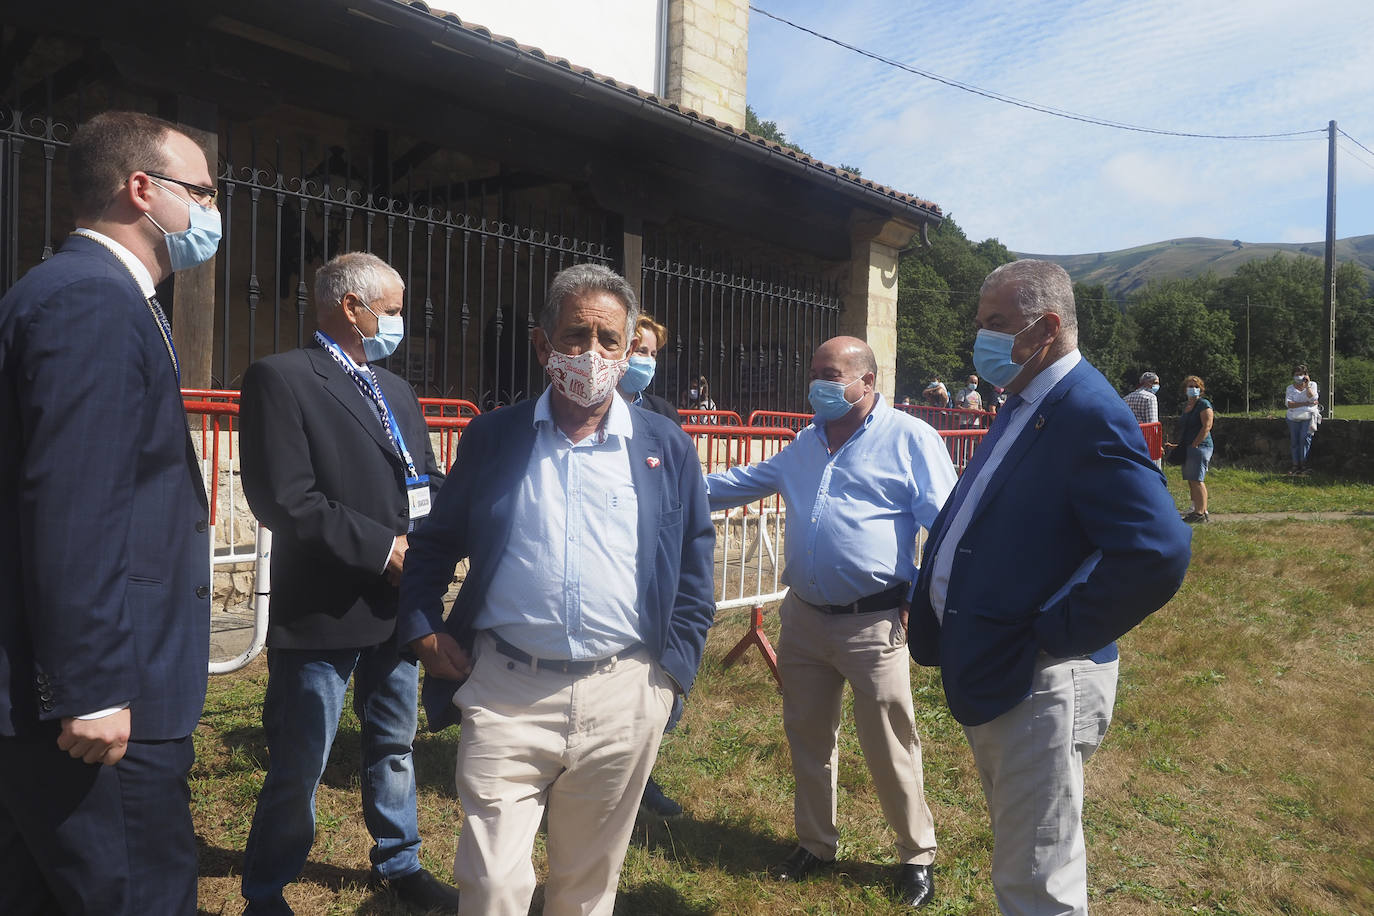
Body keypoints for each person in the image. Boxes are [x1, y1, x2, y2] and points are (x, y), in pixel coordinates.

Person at [396, 263, 716, 916]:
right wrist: (423, 628)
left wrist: (670, 674)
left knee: (585, 887)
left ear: (629, 352)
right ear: (543, 346)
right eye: (576, 336)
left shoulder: (665, 445)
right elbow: (433, 545)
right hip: (507, 688)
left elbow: (693, 562)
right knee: (488, 886)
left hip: (623, 692)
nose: (592, 355)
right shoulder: (494, 437)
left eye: (609, 341)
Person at [909, 260, 1191, 915]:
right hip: (1003, 666)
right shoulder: (1028, 400)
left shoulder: (1086, 410)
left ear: (1048, 327)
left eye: (998, 325)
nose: (982, 339)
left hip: (1037, 677)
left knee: (1038, 880)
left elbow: (1157, 550)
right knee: (1024, 853)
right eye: (981, 324)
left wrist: (1052, 633)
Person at [0, 110, 218, 914]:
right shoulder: (92, 299)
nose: (211, 211)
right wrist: (89, 688)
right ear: (142, 190)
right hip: (97, 705)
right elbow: (72, 502)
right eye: (202, 191)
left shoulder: (87, 292)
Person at [236, 252, 456, 914]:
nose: (400, 322)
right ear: (351, 307)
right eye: (392, 309)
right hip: (325, 609)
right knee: (300, 761)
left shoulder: (396, 390)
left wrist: (439, 529)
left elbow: (425, 476)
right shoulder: (281, 379)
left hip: (395, 606)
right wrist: (379, 548)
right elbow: (286, 498)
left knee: (393, 745)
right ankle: (267, 888)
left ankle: (400, 861)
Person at [705, 336, 956, 909]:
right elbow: (742, 482)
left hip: (873, 623)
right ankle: (816, 845)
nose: (820, 382)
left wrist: (920, 593)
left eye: (833, 373)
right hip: (805, 620)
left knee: (891, 745)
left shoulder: (910, 439)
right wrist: (666, 482)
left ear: (868, 382)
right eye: (815, 371)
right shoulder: (805, 443)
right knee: (808, 739)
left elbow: (944, 526)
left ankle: (916, 856)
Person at [618, 313, 681, 425]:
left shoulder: (665, 413)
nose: (649, 361)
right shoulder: (591, 411)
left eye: (653, 354)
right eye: (641, 351)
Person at [1167, 375, 1214, 522]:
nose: (1192, 389)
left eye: (1196, 386)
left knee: (1197, 479)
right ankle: (1196, 509)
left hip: (1201, 446)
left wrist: (1195, 444)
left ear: (1201, 389)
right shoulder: (1186, 407)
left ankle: (1201, 513)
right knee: (1191, 479)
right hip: (1189, 447)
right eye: (1190, 386)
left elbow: (1207, 426)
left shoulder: (1204, 404)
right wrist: (1179, 446)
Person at [1285, 364, 1320, 476]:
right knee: (1294, 441)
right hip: (1293, 417)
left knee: (1304, 439)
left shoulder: (1312, 385)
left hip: (1308, 416)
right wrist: (1305, 403)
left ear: (1306, 375)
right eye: (1296, 374)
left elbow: (1313, 398)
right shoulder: (1290, 388)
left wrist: (1307, 385)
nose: (1299, 377)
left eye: (1301, 374)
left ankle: (1303, 465)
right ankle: (1295, 465)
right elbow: (1289, 404)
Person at [1125, 371, 1162, 469]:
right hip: (1147, 442)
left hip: (1130, 441)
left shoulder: (1127, 398)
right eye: (1156, 383)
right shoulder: (1150, 398)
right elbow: (1153, 424)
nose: (1158, 386)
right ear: (1148, 383)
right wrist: (1157, 446)